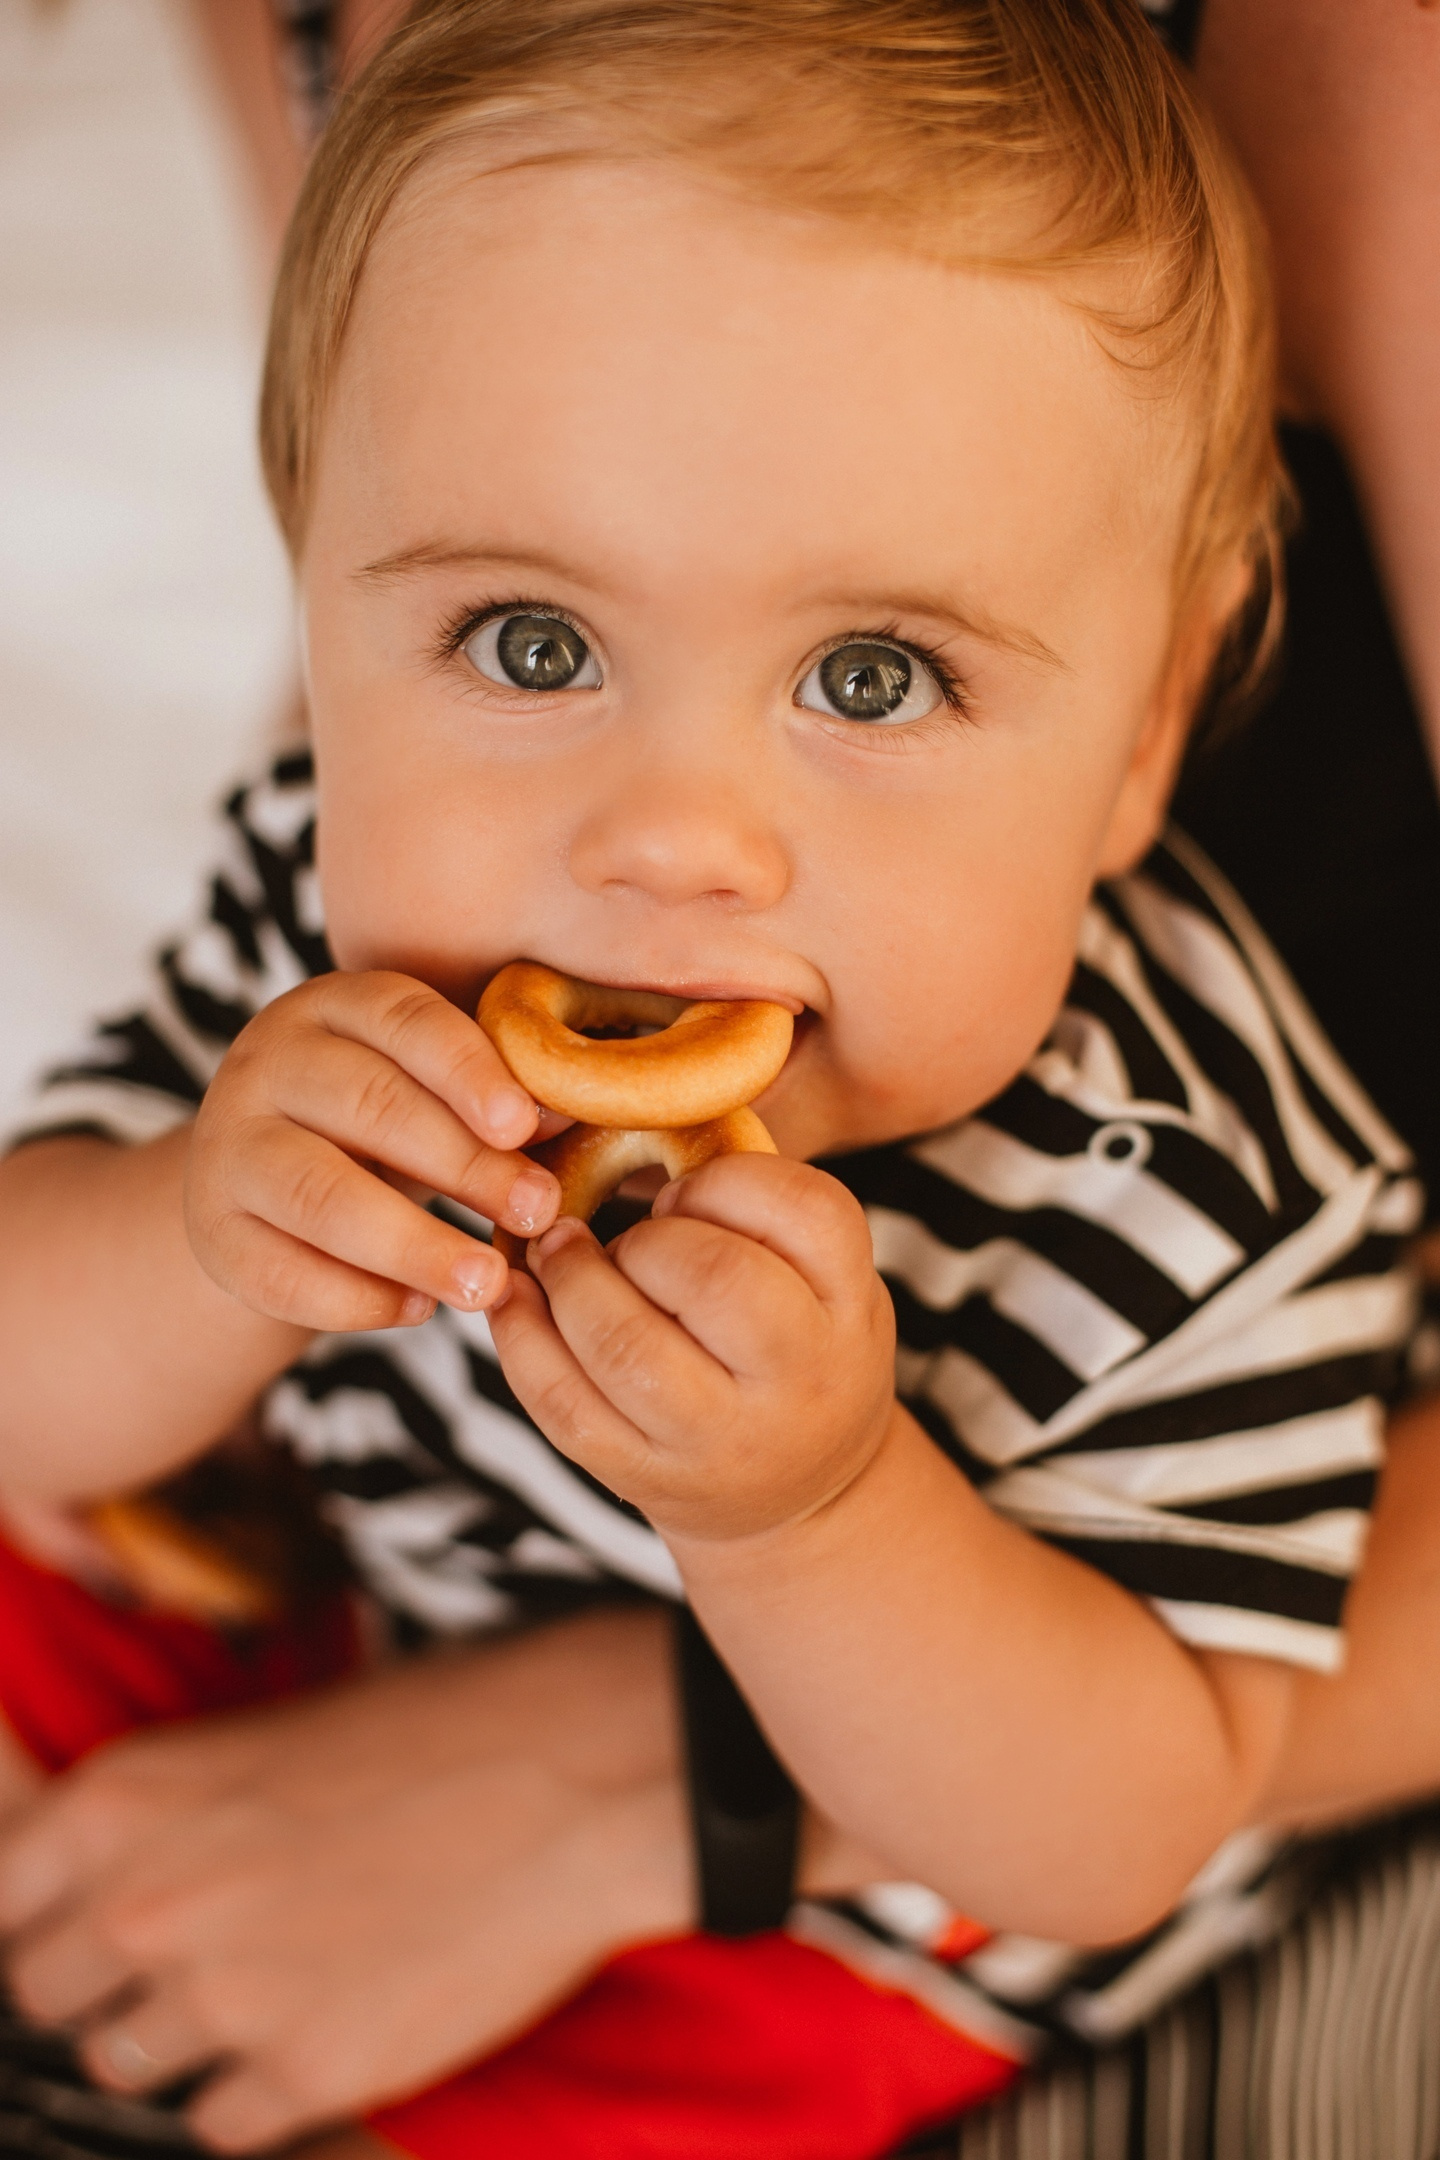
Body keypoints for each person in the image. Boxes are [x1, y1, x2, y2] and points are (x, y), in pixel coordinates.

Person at [0, 3, 1429, 2156]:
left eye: (871, 677)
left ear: (1146, 732)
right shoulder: (330, 934)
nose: (667, 837)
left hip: (834, 1908)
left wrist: (818, 1516)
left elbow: (1112, 1826)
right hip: (352, 1581)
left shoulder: (1181, 1207)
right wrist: (205, 1228)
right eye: (533, 646)